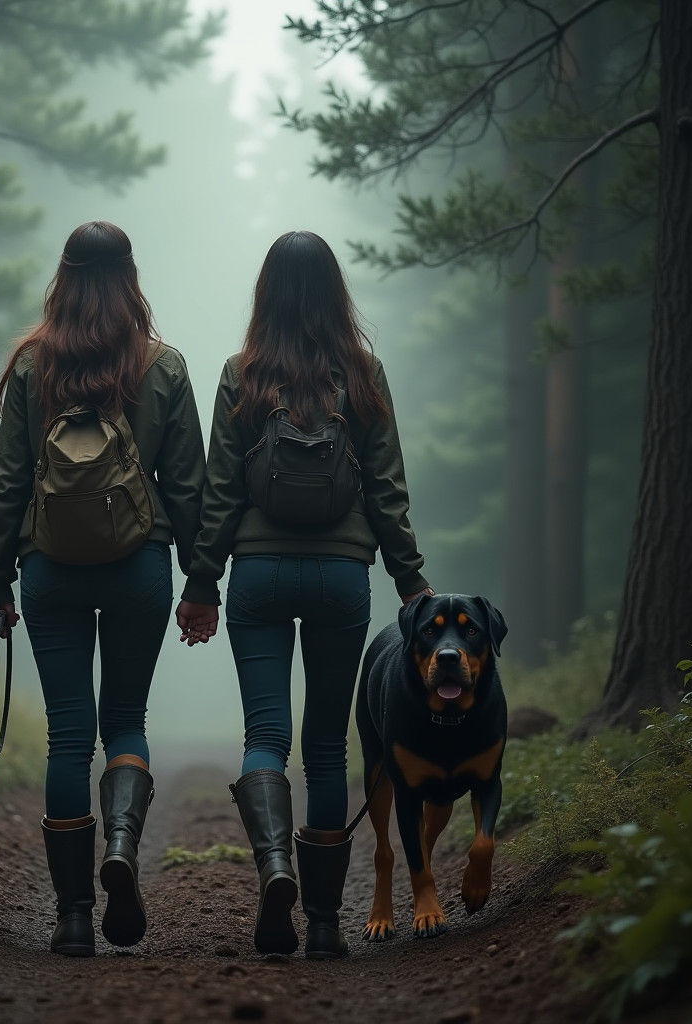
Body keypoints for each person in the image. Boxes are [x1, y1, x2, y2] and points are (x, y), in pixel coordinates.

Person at [177, 230, 432, 959]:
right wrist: (409, 578)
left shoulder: (243, 374)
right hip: (341, 576)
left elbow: (221, 489)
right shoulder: (363, 373)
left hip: (255, 574)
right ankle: (323, 924)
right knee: (326, 747)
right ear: (334, 294)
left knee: (266, 736)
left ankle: (276, 869)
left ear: (267, 294)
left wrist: (202, 584)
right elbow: (387, 490)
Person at [0, 221, 210, 957]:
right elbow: (191, 486)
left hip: (49, 569)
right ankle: (120, 848)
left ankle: (73, 916)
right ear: (130, 277)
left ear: (64, 277)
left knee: (68, 738)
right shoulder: (162, 366)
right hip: (141, 562)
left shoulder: (31, 365)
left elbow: (10, 480)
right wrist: (202, 579)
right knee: (126, 721)